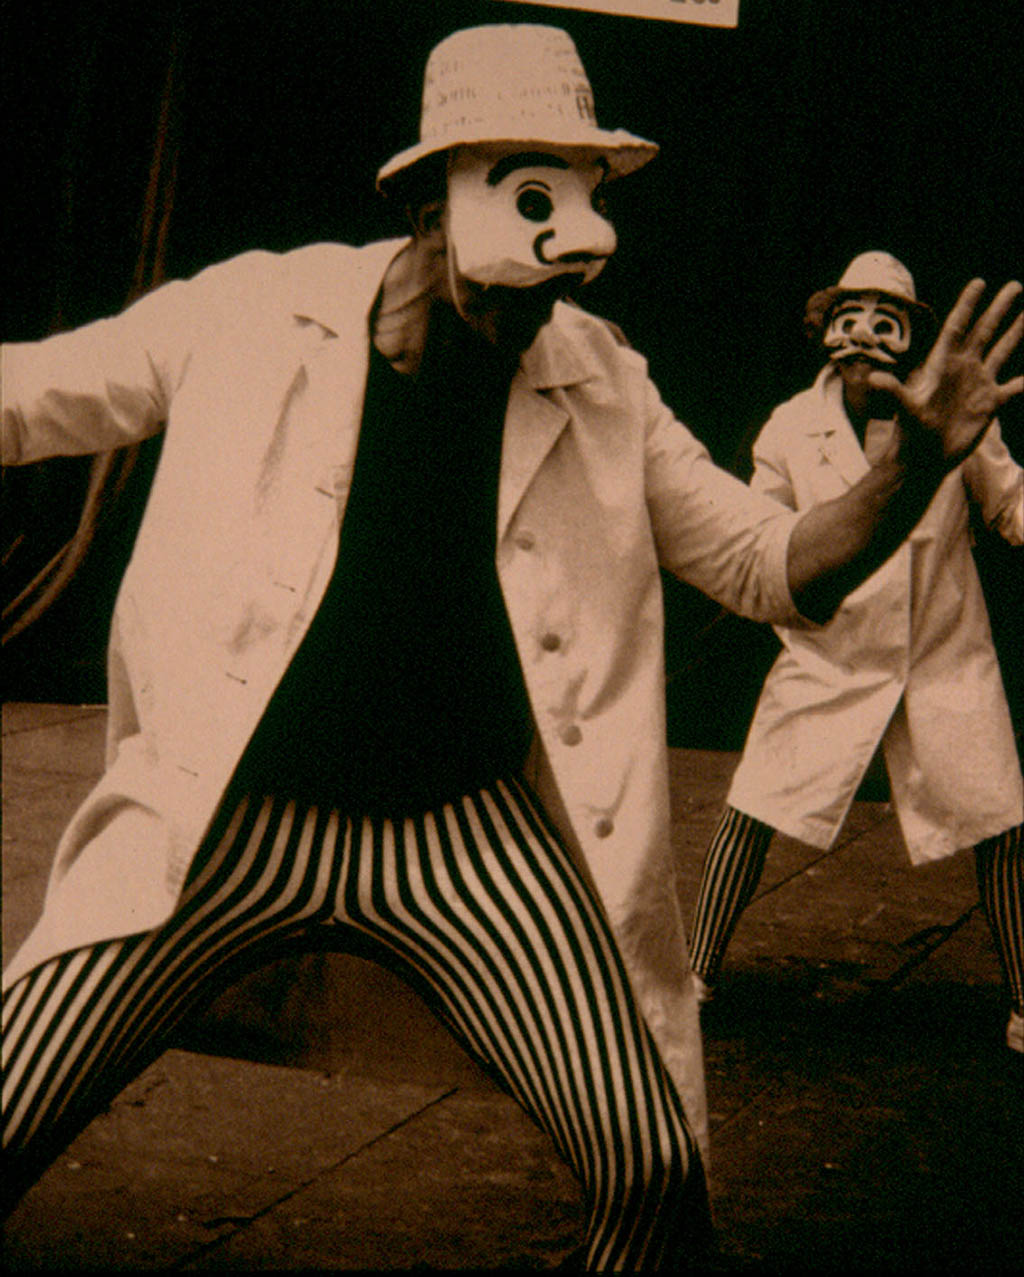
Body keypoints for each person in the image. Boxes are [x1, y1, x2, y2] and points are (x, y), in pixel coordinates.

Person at [2, 25, 1021, 1269]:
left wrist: (907, 475)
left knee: (652, 1171)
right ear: (428, 206)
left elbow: (768, 563)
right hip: (226, 822)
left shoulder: (602, 380)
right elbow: (32, 395)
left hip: (462, 833)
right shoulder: (254, 312)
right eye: (520, 214)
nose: (545, 287)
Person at [688, 251, 1024, 1055]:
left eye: (885, 321)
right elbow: (760, 536)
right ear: (823, 331)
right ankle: (690, 974)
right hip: (828, 655)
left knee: (1002, 823)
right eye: (848, 319)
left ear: (910, 337)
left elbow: (1009, 500)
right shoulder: (789, 426)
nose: (864, 337)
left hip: (945, 650)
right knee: (752, 806)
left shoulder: (956, 413)